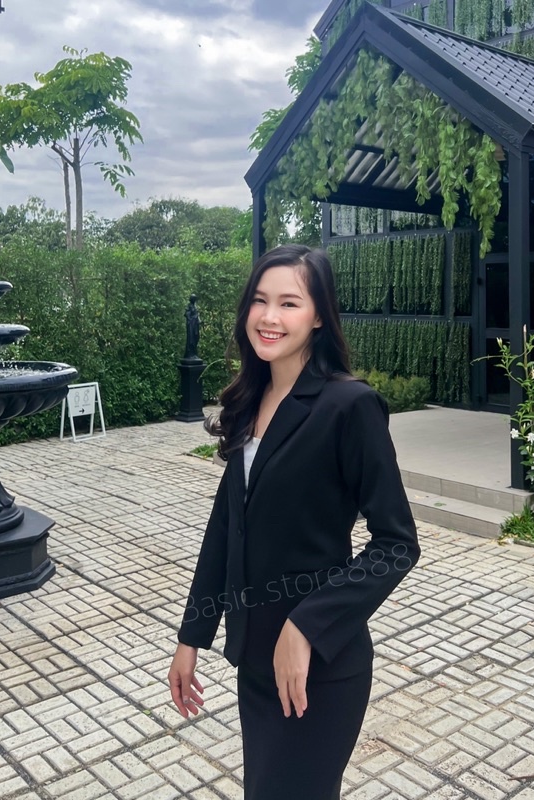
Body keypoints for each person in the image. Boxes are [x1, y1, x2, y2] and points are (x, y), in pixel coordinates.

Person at [167, 244, 420, 800]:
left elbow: (397, 543)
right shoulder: (252, 399)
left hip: (318, 667)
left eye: (289, 303)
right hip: (255, 662)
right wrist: (192, 636)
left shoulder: (349, 406)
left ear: (319, 315)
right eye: (260, 300)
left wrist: (306, 625)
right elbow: (225, 530)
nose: (269, 317)